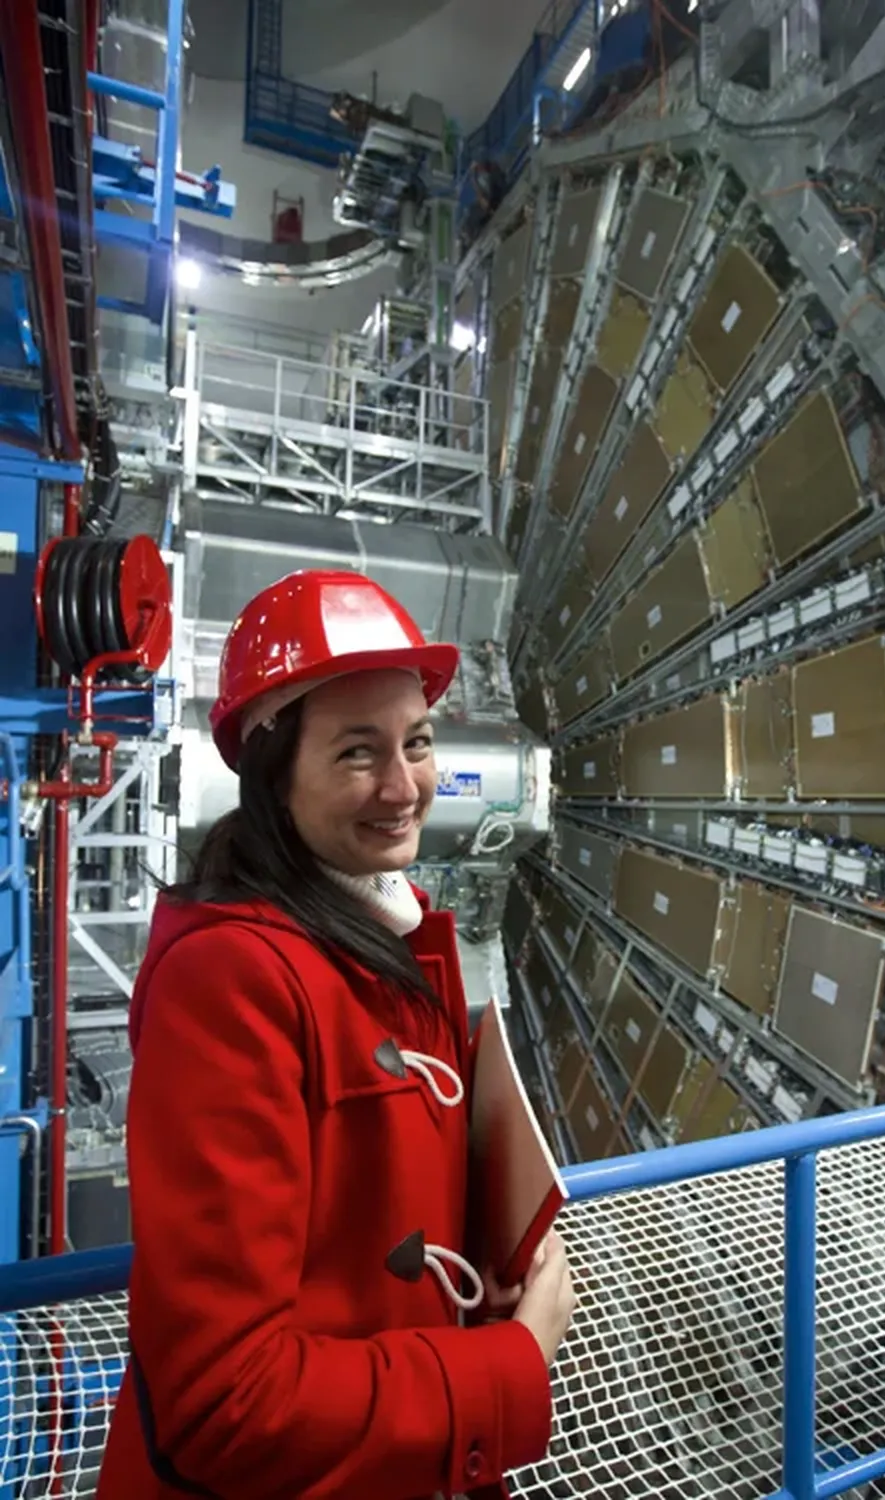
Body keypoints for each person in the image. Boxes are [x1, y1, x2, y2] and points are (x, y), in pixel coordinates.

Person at [96, 569, 576, 1500]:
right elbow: (224, 1403)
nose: (404, 787)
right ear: (274, 777)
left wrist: (483, 1269)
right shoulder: (227, 982)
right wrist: (508, 1363)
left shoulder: (381, 936)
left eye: (418, 742)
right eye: (358, 753)